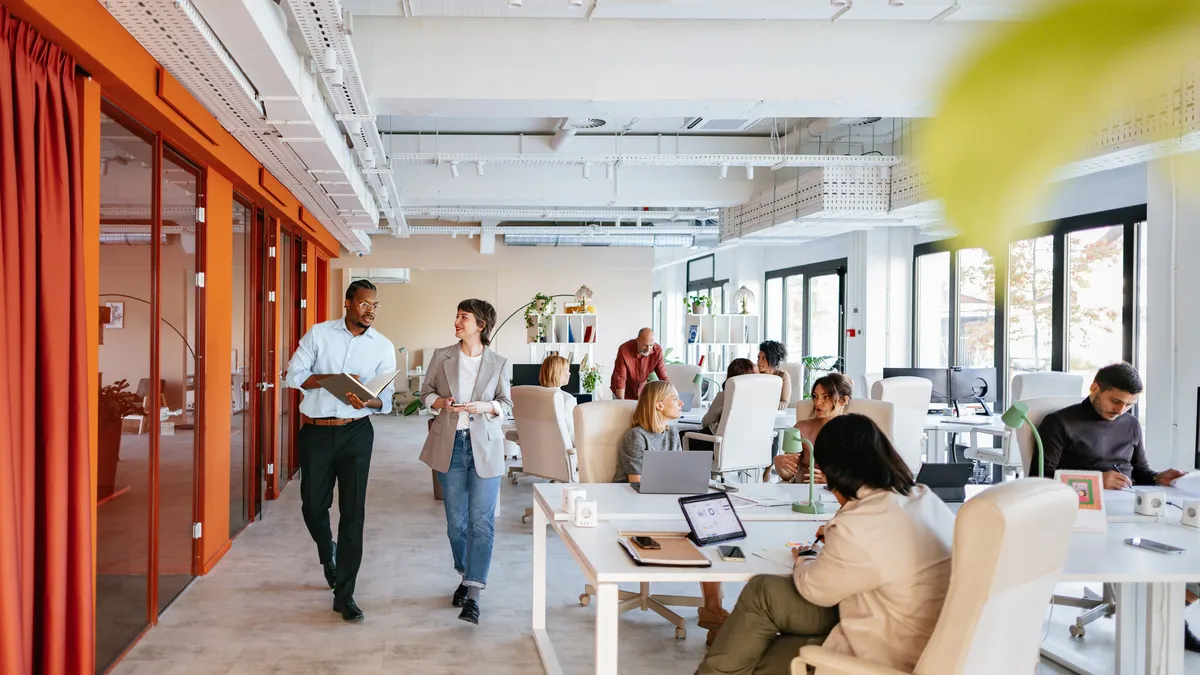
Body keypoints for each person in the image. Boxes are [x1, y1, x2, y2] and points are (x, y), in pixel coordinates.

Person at [697, 414, 956, 674]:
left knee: (757, 621)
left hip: (886, 650)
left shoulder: (860, 524)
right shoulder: (923, 498)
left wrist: (806, 556)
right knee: (760, 612)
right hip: (924, 638)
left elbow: (815, 589)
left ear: (835, 471)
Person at [1033, 362, 1199, 651]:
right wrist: (1098, 480)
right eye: (1116, 401)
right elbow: (1041, 478)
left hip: (1130, 508)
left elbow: (1139, 471)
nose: (1121, 410)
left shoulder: (1131, 425)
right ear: (1095, 389)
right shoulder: (1059, 422)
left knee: (1188, 552)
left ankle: (1172, 610)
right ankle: (1165, 618)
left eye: (1129, 405)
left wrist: (1160, 477)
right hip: (1085, 512)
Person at [286, 279, 397, 623]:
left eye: (375, 306)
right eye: (365, 304)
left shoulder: (383, 346)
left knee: (353, 513)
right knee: (313, 506)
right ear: (348, 303)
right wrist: (332, 379)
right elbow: (294, 375)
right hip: (316, 433)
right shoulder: (318, 335)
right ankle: (327, 552)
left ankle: (345, 594)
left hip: (357, 434)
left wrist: (370, 398)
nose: (371, 311)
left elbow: (387, 401)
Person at [419, 299, 512, 626]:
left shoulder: (498, 362)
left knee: (481, 522)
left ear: (480, 326)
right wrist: (440, 402)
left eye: (464, 317)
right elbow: (424, 394)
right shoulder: (441, 356)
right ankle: (466, 573)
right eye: (457, 316)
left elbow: (506, 403)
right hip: (451, 447)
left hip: (485, 448)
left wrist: (485, 407)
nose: (457, 322)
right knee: (456, 524)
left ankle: (473, 594)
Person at [613, 381, 727, 643]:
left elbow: (676, 474)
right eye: (676, 398)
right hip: (636, 506)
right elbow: (637, 481)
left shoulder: (672, 433)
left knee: (711, 528)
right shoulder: (636, 437)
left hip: (668, 501)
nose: (681, 403)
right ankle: (713, 611)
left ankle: (713, 610)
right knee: (699, 528)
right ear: (658, 405)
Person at [774, 372, 854, 483]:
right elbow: (788, 475)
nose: (818, 402)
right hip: (803, 493)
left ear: (843, 400)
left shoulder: (854, 432)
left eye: (825, 397)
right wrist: (779, 464)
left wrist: (831, 481)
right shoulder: (801, 429)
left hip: (836, 497)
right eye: (815, 396)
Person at [686, 358, 757, 454]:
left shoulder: (724, 396)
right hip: (746, 448)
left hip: (718, 446)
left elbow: (705, 422)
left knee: (682, 435)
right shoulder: (757, 399)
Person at [611, 327, 669, 401]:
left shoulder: (657, 351)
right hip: (622, 392)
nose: (648, 349)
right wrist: (621, 403)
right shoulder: (624, 350)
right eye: (645, 345)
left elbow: (663, 377)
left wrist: (672, 398)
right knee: (622, 411)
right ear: (637, 340)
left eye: (651, 345)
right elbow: (620, 380)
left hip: (640, 392)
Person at [538, 354, 576, 443]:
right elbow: (572, 435)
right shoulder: (567, 399)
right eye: (567, 370)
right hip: (561, 454)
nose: (569, 373)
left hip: (537, 451)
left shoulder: (533, 396)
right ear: (558, 372)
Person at [756, 340, 791, 410]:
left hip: (777, 414)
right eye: (758, 358)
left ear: (772, 360)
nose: (759, 361)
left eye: (764, 358)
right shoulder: (754, 374)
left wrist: (765, 406)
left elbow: (784, 403)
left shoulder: (783, 376)